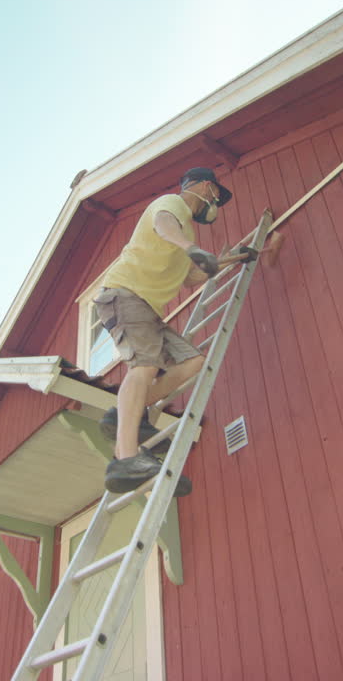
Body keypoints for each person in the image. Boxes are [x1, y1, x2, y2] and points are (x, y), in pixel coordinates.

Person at [92, 167, 234, 495]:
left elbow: (192, 278)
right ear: (205, 187)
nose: (214, 203)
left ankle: (123, 414)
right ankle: (125, 459)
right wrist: (190, 247)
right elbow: (162, 225)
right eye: (215, 196)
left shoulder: (187, 237)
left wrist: (229, 260)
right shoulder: (172, 206)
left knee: (193, 363)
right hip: (125, 293)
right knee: (144, 366)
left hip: (148, 310)